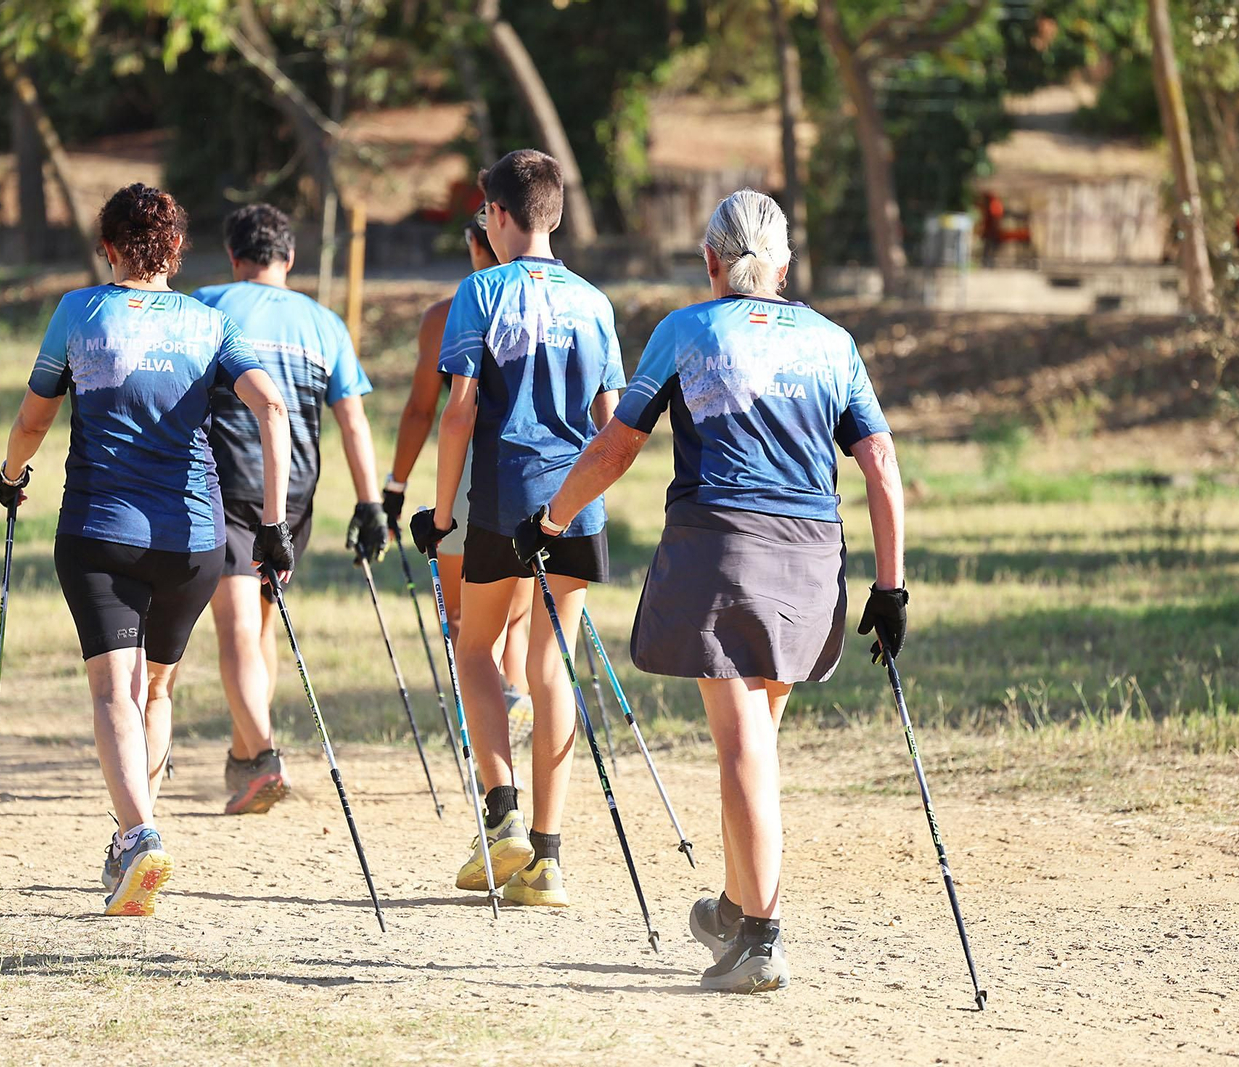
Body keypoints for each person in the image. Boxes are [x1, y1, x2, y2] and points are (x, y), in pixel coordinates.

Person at [515, 189, 906, 992]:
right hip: (812, 559)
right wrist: (891, 587)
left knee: (741, 745)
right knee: (756, 736)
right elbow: (880, 463)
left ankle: (762, 935)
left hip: (719, 550)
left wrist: (550, 519)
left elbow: (618, 444)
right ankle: (735, 903)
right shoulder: (833, 342)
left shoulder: (686, 330)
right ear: (785, 267)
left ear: (709, 262)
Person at [0, 183, 294, 916]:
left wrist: (11, 476)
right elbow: (271, 405)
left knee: (112, 691)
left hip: (100, 532)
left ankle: (138, 836)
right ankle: (135, 837)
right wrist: (273, 523)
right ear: (176, 249)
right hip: (194, 541)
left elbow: (34, 420)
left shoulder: (79, 312)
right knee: (153, 689)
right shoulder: (209, 323)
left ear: (108, 248)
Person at [409, 149, 625, 908]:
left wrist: (442, 516)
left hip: (503, 495)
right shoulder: (594, 302)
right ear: (554, 214)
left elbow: (459, 411)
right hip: (578, 502)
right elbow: (611, 425)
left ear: (497, 215)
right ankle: (549, 856)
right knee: (552, 664)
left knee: (474, 645)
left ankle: (500, 813)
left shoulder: (481, 291)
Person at [192, 203, 386, 815]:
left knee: (236, 628)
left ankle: (263, 758)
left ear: (234, 256)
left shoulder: (206, 306)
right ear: (290, 258)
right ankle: (244, 753)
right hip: (294, 493)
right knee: (261, 626)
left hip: (225, 485)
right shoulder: (325, 322)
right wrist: (370, 504)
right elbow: (352, 421)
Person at [384, 211, 532, 737]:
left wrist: (396, 486)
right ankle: (514, 703)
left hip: (470, 475)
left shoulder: (446, 314)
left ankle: (490, 723)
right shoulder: (548, 304)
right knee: (516, 616)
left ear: (476, 244)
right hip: (540, 473)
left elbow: (423, 411)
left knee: (465, 622)